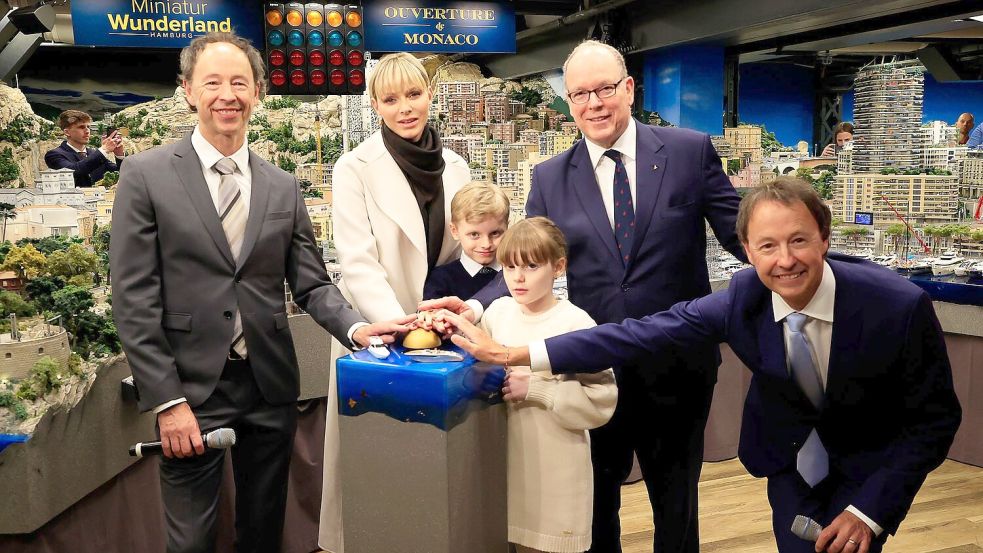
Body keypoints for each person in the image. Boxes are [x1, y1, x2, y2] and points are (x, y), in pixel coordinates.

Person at [447, 176, 961, 553]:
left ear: (825, 237)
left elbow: (934, 420)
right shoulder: (744, 297)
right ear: (746, 253)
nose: (785, 260)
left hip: (869, 461)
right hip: (790, 457)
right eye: (767, 246)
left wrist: (870, 511)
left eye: (799, 240)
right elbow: (640, 334)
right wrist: (517, 354)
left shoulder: (898, 306)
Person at [424, 39, 746, 553]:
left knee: (676, 501)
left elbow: (744, 237)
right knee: (596, 506)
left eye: (604, 90)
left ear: (629, 90)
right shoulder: (550, 177)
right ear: (569, 103)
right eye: (579, 94)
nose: (594, 103)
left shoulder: (689, 151)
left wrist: (814, 274)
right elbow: (522, 256)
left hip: (677, 364)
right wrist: (476, 306)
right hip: (591, 369)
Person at [110, 32, 410, 553]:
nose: (227, 94)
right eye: (213, 83)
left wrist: (358, 328)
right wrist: (167, 400)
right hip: (190, 389)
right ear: (187, 91)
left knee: (262, 531)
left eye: (239, 83)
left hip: (269, 384)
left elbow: (312, 284)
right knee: (191, 541)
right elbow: (133, 298)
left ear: (258, 93)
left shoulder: (282, 185)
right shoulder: (146, 175)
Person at [318, 51, 473, 553]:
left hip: (443, 335)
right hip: (380, 336)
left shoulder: (456, 166)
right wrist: (401, 327)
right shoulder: (354, 167)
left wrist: (446, 316)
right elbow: (357, 263)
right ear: (375, 105)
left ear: (431, 95)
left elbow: (469, 250)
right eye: (390, 98)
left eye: (414, 94)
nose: (405, 107)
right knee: (379, 459)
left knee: (442, 463)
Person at [483, 217, 617, 553]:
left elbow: (602, 400)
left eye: (531, 265)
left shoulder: (576, 323)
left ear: (558, 267)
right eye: (510, 266)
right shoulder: (497, 313)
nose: (519, 277)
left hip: (556, 475)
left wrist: (539, 390)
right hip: (504, 471)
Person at [423, 182, 509, 300]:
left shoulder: (518, 273)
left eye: (495, 233)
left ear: (507, 228)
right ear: (454, 231)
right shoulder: (441, 280)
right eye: (474, 234)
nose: (486, 244)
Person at [44, 109, 124, 187]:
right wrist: (104, 149)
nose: (87, 131)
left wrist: (119, 155)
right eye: (81, 127)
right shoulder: (54, 155)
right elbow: (74, 171)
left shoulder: (94, 153)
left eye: (88, 127)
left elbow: (119, 173)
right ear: (67, 132)